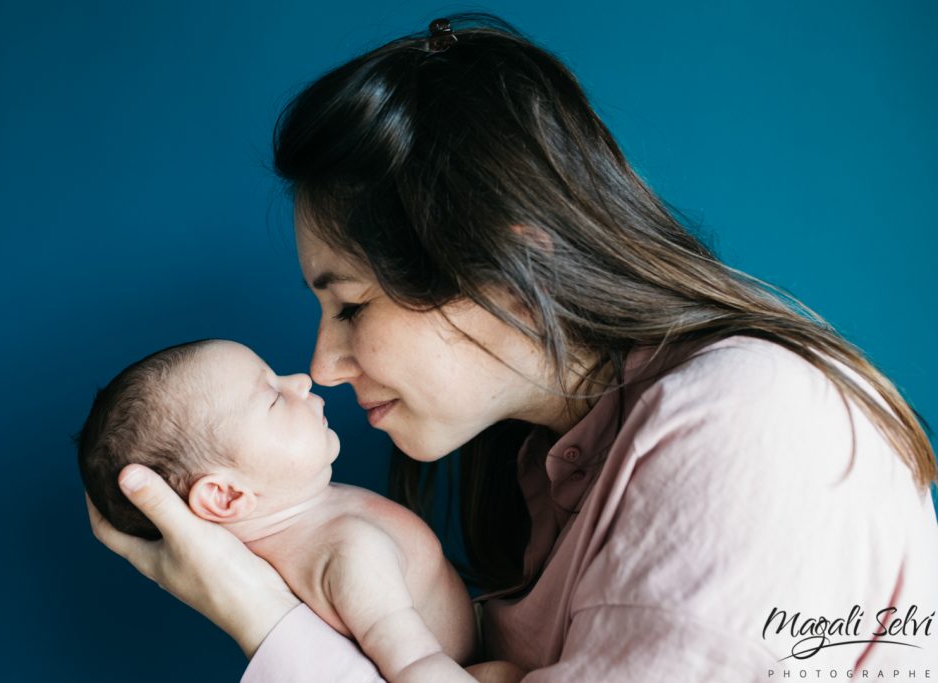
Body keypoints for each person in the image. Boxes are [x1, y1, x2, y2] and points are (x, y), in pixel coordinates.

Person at [85, 13, 938, 681]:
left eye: (349, 304)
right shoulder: (546, 467)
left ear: (507, 265)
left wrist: (264, 620)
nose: (321, 366)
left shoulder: (751, 420)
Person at [77, 338, 525, 682]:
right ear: (227, 497)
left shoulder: (309, 512)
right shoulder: (346, 553)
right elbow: (416, 664)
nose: (301, 381)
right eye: (272, 396)